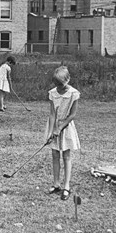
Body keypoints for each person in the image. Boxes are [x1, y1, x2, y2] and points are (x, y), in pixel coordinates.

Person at [46, 66, 80, 201]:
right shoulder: (53, 93)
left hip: (66, 126)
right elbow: (52, 113)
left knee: (66, 155)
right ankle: (56, 184)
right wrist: (52, 130)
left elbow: (72, 115)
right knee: (55, 154)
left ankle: (66, 186)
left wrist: (60, 127)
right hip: (54, 125)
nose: (59, 88)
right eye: (56, 85)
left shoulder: (74, 93)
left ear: (68, 80)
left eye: (61, 85)